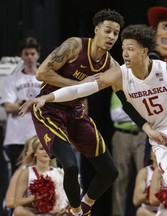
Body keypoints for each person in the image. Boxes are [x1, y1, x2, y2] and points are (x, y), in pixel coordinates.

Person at [19, 24, 167, 216]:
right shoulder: (119, 74)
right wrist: (48, 96)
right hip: (159, 137)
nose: (125, 53)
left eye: (131, 48)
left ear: (144, 51)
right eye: (123, 48)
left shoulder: (164, 71)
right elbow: (83, 89)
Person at [16, 9, 127, 216]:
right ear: (97, 30)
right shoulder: (75, 46)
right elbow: (42, 74)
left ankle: (84, 206)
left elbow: (128, 95)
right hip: (48, 109)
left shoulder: (111, 65)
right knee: (70, 166)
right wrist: (77, 84)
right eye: (108, 31)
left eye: (115, 33)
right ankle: (75, 212)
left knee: (110, 172)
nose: (111, 36)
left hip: (76, 112)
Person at [1, 37, 41, 175]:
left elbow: (50, 105)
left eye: (32, 54)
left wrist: (22, 104)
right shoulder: (12, 80)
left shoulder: (45, 78)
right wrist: (34, 104)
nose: (30, 57)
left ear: (38, 55)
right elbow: (8, 107)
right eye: (26, 54)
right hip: (17, 137)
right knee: (17, 179)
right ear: (21, 56)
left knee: (39, 178)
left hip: (39, 136)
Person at [110, 92, 147, 216]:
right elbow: (115, 114)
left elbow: (150, 113)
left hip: (142, 136)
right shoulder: (118, 88)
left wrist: (130, 113)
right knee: (120, 179)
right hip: (122, 136)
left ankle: (145, 213)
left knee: (145, 178)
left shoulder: (142, 88)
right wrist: (139, 114)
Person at [13, 137, 67, 216]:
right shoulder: (27, 172)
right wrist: (35, 198)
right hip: (33, 212)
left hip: (53, 212)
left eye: (48, 150)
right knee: (18, 210)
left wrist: (60, 208)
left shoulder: (58, 172)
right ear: (35, 153)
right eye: (42, 149)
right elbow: (17, 202)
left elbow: (65, 199)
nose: (46, 152)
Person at [5, 135, 38, 214]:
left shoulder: (55, 170)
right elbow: (9, 202)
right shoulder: (22, 171)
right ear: (26, 152)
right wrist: (34, 201)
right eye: (34, 147)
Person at [132, 150, 159, 216]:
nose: (158, 151)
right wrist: (158, 193)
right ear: (150, 155)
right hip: (150, 212)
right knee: (141, 211)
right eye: (155, 148)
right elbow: (136, 199)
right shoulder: (145, 172)